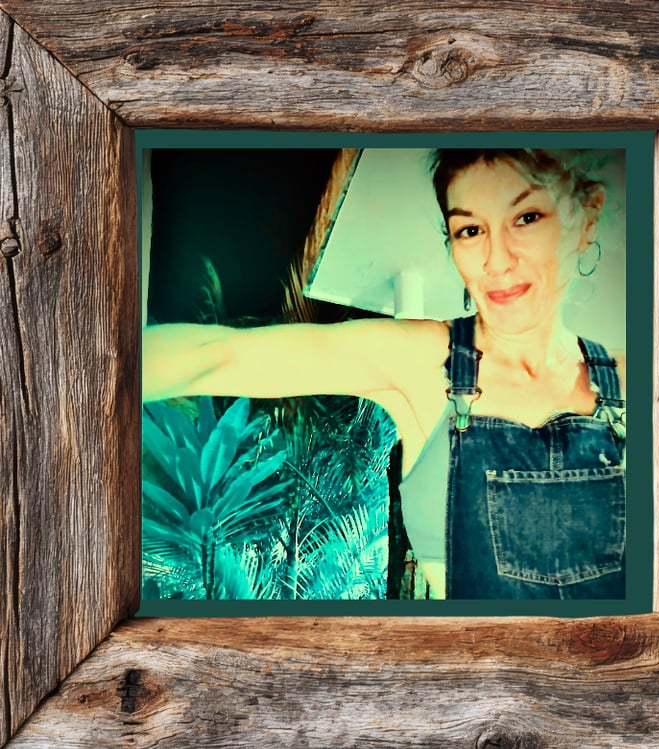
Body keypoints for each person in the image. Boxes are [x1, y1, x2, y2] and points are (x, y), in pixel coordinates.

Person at [143, 148, 626, 600]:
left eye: (526, 218)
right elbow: (218, 355)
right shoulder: (425, 361)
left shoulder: (641, 380)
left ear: (586, 217)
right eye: (470, 230)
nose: (496, 261)